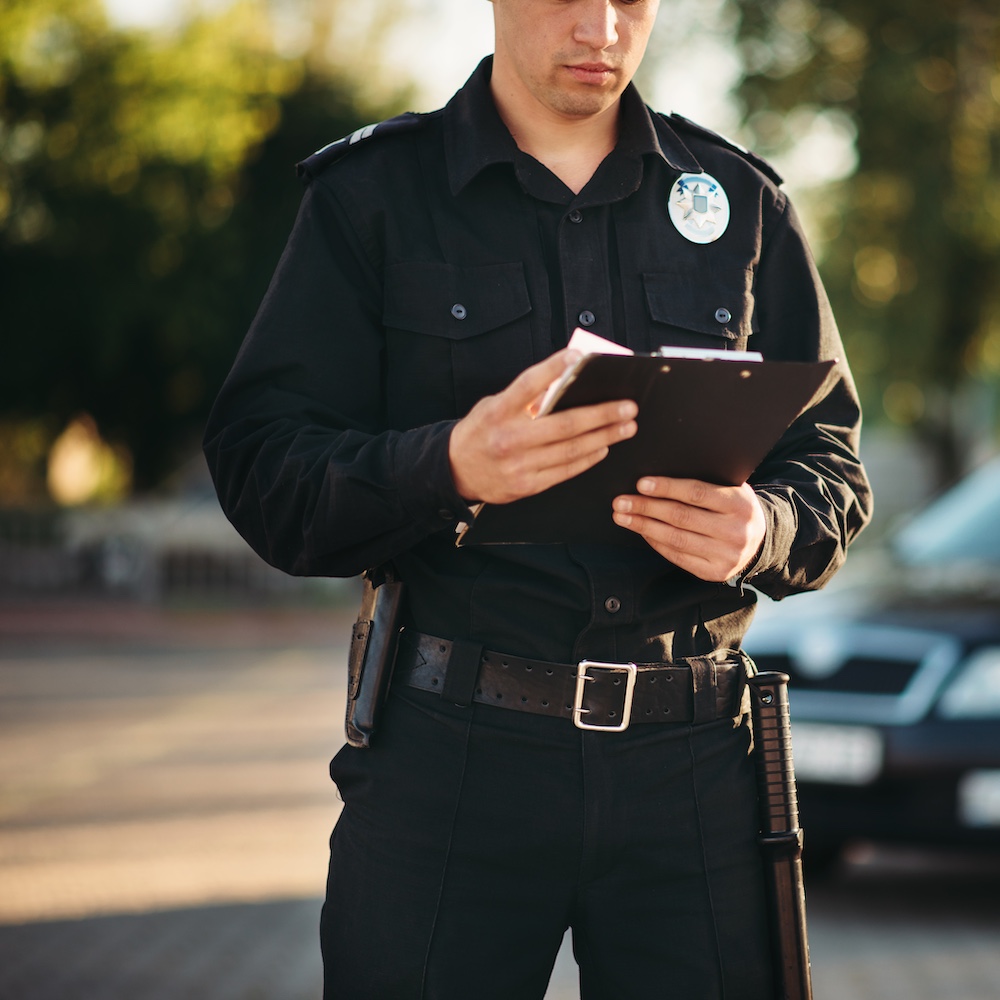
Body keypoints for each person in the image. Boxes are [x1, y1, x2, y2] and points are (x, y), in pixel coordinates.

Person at [204, 0, 872, 996]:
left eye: (630, 1)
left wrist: (762, 527)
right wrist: (449, 465)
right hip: (450, 766)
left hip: (693, 767)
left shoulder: (742, 200)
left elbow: (830, 464)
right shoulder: (372, 196)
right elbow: (263, 466)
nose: (601, 28)